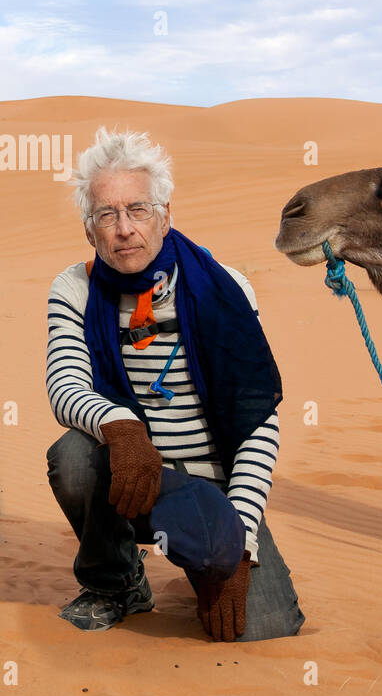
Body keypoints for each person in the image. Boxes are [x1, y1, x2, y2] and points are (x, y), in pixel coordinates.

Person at [45, 126, 304, 642]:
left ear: (166, 215)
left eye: (138, 209)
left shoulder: (225, 289)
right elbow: (65, 384)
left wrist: (242, 543)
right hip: (135, 478)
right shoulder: (75, 288)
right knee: (73, 458)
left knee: (265, 626)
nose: (123, 229)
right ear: (89, 230)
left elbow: (258, 421)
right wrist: (121, 426)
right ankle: (117, 581)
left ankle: (209, 552)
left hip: (217, 492)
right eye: (107, 214)